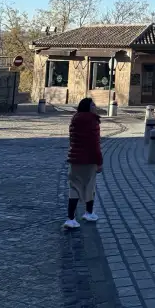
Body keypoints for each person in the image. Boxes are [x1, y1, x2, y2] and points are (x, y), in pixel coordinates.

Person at [64, 97, 103, 229]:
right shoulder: (93, 121)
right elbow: (95, 144)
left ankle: (70, 218)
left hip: (75, 159)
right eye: (93, 105)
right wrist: (99, 162)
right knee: (89, 187)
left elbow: (72, 139)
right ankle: (89, 212)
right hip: (89, 160)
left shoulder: (74, 119)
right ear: (88, 107)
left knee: (74, 188)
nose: (95, 106)